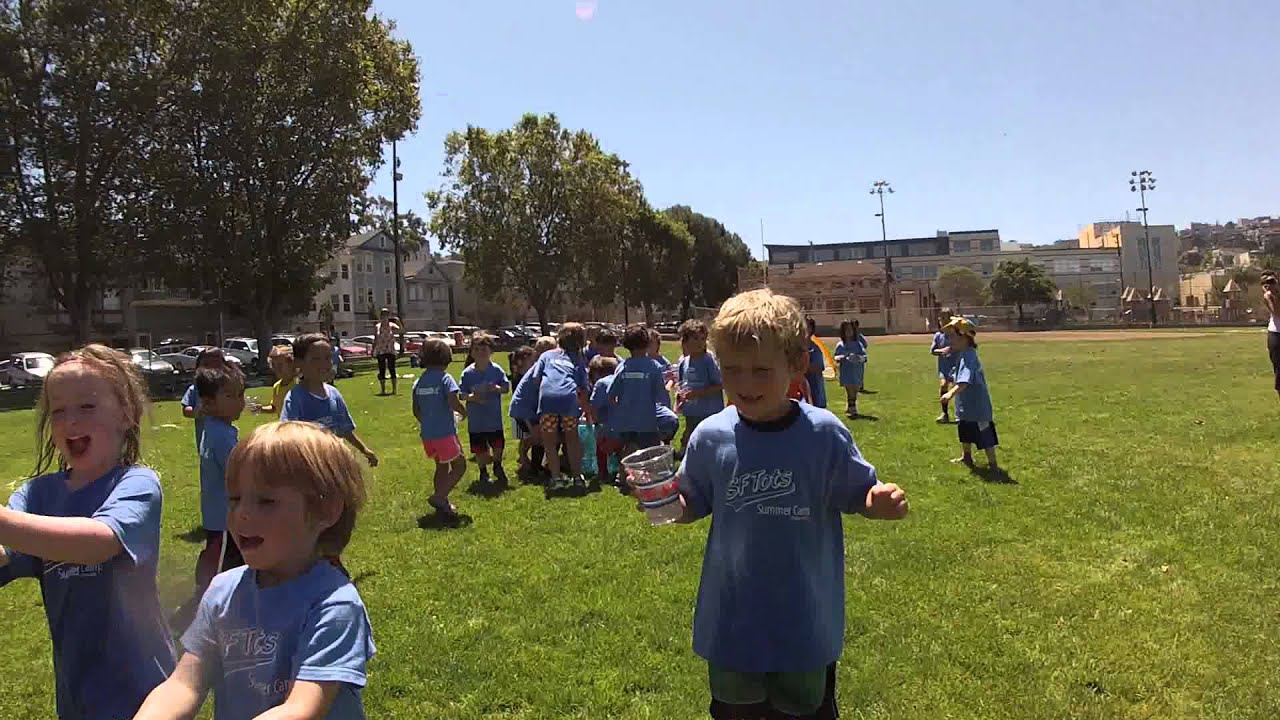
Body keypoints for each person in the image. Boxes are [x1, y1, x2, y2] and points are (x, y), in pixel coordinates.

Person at [658, 288, 908, 719]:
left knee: (805, 709)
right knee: (736, 710)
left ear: (795, 366)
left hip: (804, 618)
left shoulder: (823, 434)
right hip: (733, 619)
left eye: (760, 370)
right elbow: (690, 504)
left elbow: (859, 493)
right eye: (732, 370)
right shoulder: (711, 436)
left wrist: (878, 500)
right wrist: (660, 499)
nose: (745, 384)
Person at [133, 422, 374, 720]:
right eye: (235, 499)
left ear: (326, 512)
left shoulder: (334, 605)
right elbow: (184, 685)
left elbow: (303, 708)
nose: (242, 513)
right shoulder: (224, 591)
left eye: (266, 501)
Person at [0, 345, 175, 719]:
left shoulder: (137, 484)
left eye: (87, 407)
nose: (70, 422)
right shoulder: (36, 495)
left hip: (144, 694)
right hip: (77, 695)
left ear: (126, 415)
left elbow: (98, 542)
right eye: (58, 411)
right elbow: (6, 553)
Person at [171, 366, 247, 633]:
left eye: (241, 394)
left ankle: (229, 612)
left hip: (226, 517)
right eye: (231, 396)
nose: (241, 401)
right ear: (209, 402)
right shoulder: (220, 434)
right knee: (217, 572)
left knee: (234, 566)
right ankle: (192, 618)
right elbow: (236, 473)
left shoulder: (216, 428)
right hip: (223, 518)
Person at [281, 333, 379, 468]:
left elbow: (345, 429)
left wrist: (364, 449)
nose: (324, 364)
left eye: (327, 357)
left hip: (336, 462)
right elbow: (288, 436)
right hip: (310, 466)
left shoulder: (333, 394)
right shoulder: (295, 398)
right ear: (299, 362)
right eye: (316, 359)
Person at [527, 323, 593, 493]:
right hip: (568, 399)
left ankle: (556, 478)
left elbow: (535, 379)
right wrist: (586, 410)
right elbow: (583, 388)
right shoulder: (578, 359)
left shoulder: (547, 355)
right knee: (572, 439)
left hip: (548, 399)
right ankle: (577, 477)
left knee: (549, 441)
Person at [412, 339, 468, 521]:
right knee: (460, 466)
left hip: (428, 435)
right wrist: (463, 411)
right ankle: (439, 496)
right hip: (445, 433)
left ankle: (441, 503)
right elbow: (453, 400)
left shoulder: (419, 382)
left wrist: (427, 422)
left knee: (441, 467)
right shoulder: (445, 379)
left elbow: (416, 410)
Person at [939, 316, 999, 469]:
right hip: (966, 407)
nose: (949, 340)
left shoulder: (969, 357)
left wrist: (950, 393)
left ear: (964, 337)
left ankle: (993, 464)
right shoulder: (963, 355)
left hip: (977, 407)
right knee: (964, 430)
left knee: (985, 435)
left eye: (952, 336)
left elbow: (964, 381)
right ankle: (966, 457)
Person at [610, 325, 669, 458]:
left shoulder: (622, 367)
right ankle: (649, 477)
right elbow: (661, 394)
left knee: (627, 453)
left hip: (626, 422)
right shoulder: (654, 366)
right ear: (647, 343)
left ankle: (623, 477)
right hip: (647, 422)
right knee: (651, 453)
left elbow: (611, 395)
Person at [460, 333, 510, 488]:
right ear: (472, 352)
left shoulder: (496, 370)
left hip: (494, 418)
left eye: (484, 349)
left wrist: (496, 388)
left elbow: (506, 387)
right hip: (477, 420)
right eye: (477, 349)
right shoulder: (467, 373)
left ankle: (497, 465)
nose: (481, 352)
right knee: (480, 448)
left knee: (498, 445)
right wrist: (472, 397)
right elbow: (461, 394)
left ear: (491, 351)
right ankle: (483, 471)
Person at [676, 319, 724, 452]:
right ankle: (687, 456)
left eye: (703, 339)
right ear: (685, 341)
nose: (700, 342)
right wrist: (679, 397)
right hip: (691, 411)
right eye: (695, 338)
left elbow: (721, 384)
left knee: (709, 440)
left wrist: (699, 393)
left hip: (709, 411)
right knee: (691, 436)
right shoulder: (684, 361)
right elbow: (681, 384)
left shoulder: (708, 359)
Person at [181, 347, 239, 448]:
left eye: (216, 365)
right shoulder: (195, 389)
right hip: (205, 434)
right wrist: (196, 411)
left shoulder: (226, 387)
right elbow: (186, 409)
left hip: (223, 433)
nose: (211, 370)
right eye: (206, 365)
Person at [588, 355, 622, 487]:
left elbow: (594, 407)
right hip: (626, 425)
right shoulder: (620, 380)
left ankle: (603, 472)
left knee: (600, 449)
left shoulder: (601, 383)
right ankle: (621, 473)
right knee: (622, 451)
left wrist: (595, 423)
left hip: (608, 428)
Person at [508, 345, 538, 478]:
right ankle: (523, 457)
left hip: (522, 410)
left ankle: (523, 457)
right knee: (526, 437)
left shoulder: (520, 374)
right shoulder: (521, 375)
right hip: (522, 411)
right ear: (524, 359)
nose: (535, 362)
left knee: (526, 438)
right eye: (532, 359)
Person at [834, 320, 868, 419]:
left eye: (850, 330)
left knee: (855, 389)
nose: (849, 332)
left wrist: (858, 358)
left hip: (857, 371)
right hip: (846, 372)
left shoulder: (858, 344)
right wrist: (842, 357)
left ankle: (851, 405)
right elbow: (836, 357)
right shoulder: (840, 344)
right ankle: (852, 408)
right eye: (846, 330)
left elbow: (864, 356)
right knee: (850, 390)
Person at [930, 308, 957, 423]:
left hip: (957, 366)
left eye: (946, 318)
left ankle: (962, 413)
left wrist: (952, 349)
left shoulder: (957, 334)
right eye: (942, 319)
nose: (944, 321)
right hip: (945, 367)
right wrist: (942, 351)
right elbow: (932, 350)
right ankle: (945, 414)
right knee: (943, 386)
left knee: (960, 390)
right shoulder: (938, 335)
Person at [256, 344, 297, 416]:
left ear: (292, 364)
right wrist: (261, 408)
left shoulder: (299, 385)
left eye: (280, 365)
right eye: (273, 365)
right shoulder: (277, 386)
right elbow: (274, 407)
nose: (276, 369)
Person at [373, 308, 401, 395]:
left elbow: (402, 331)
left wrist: (399, 322)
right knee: (382, 370)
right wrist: (373, 350)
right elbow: (375, 338)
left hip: (390, 350)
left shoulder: (392, 325)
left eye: (386, 315)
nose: (384, 317)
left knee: (392, 369)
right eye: (383, 315)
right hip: (381, 350)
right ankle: (383, 390)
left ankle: (394, 390)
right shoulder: (377, 326)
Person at [803, 316, 828, 408]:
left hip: (814, 385)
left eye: (808, 326)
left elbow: (819, 367)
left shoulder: (815, 348)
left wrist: (801, 367)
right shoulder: (793, 347)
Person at [1264, 271, 1280, 401]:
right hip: (1276, 335)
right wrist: (1274, 295)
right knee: (1279, 369)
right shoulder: (1268, 297)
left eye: (1271, 281)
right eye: (1265, 283)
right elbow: (1277, 312)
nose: (1268, 285)